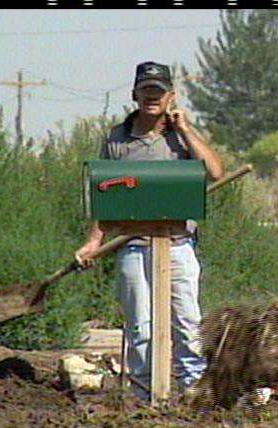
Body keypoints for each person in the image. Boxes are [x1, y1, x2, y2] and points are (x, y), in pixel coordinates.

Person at [74, 61, 224, 401]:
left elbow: (215, 171)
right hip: (133, 246)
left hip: (178, 244)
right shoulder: (116, 139)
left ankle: (194, 394)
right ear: (135, 94)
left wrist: (185, 128)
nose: (151, 98)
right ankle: (145, 399)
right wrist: (93, 241)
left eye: (158, 92)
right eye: (146, 91)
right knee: (140, 327)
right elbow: (105, 197)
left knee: (187, 325)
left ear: (170, 96)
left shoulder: (182, 138)